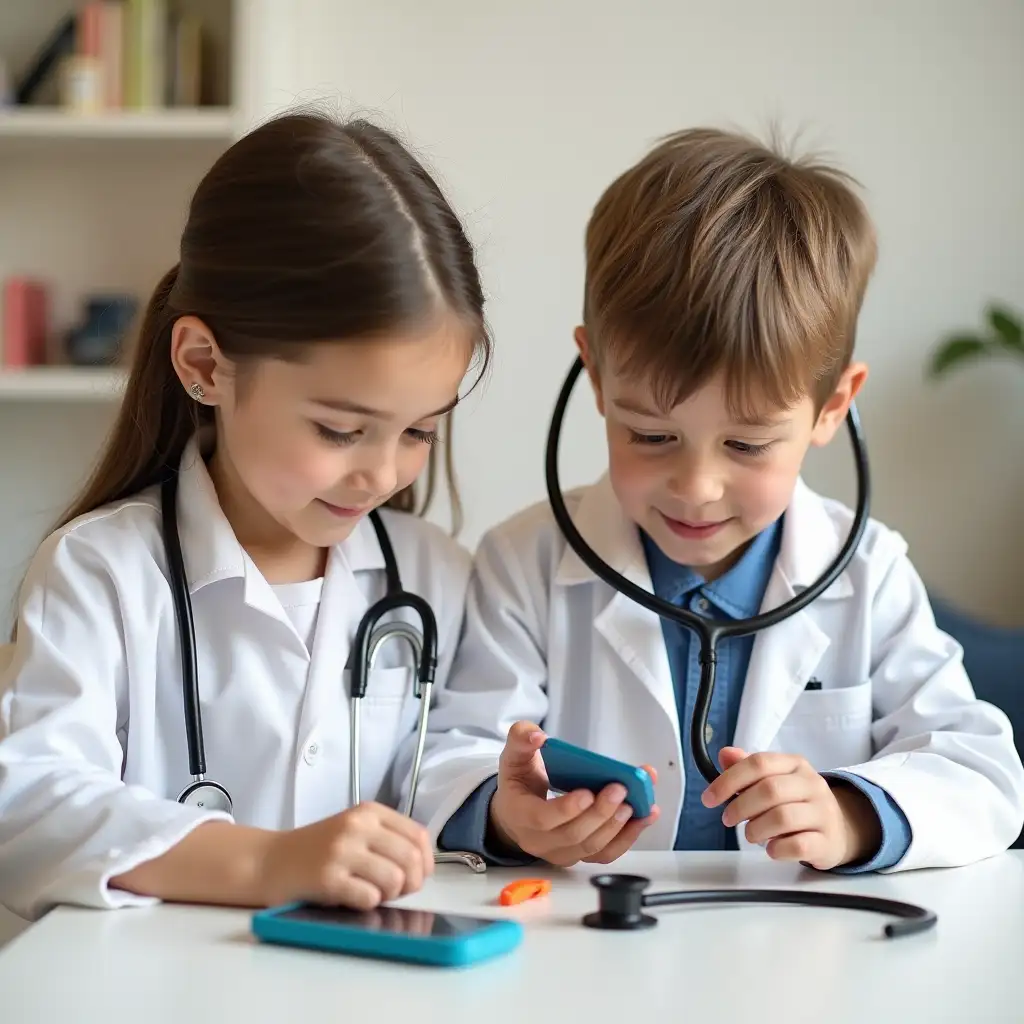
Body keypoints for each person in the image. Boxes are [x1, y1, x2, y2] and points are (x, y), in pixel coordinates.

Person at [409, 127, 1024, 873]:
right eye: (651, 436)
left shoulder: (869, 573)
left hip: (802, 963)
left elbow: (980, 772)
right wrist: (509, 815)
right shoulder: (525, 565)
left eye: (747, 445)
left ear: (833, 405)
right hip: (583, 956)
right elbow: (446, 757)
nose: (696, 487)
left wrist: (852, 813)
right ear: (597, 378)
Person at [0, 110, 490, 921]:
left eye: (420, 431)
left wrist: (502, 800)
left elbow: (443, 764)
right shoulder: (101, 571)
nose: (380, 472)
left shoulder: (436, 574)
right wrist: (266, 860)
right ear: (204, 366)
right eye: (340, 429)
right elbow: (29, 807)